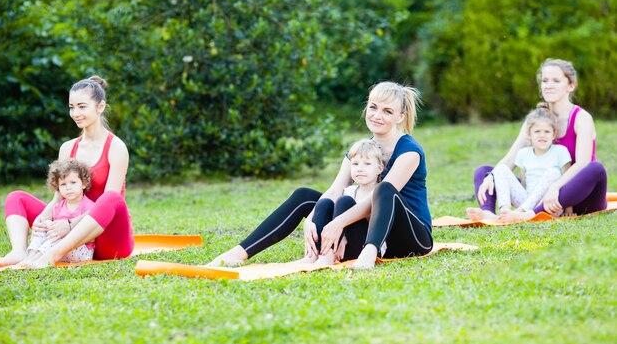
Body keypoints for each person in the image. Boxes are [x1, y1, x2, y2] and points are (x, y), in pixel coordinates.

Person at [208, 81, 433, 270]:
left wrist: (338, 222)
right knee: (305, 196)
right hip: (369, 227)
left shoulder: (409, 151)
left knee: (383, 190)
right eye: (373, 107)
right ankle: (239, 252)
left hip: (409, 237)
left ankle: (369, 254)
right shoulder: (362, 150)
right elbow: (336, 191)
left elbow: (377, 201)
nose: (377, 115)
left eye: (387, 111)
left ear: (401, 117)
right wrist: (313, 217)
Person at [0, 76, 133, 269]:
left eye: (82, 106)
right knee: (16, 198)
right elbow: (58, 199)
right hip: (72, 234)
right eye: (71, 107)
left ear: (100, 107)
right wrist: (43, 218)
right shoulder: (67, 148)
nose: (75, 113)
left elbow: (110, 205)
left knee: (111, 199)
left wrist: (69, 225)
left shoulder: (116, 147)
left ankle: (50, 255)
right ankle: (19, 252)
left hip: (108, 239)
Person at [468, 58, 607, 223]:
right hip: (540, 192)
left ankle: (528, 215)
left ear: (571, 86)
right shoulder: (537, 119)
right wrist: (491, 176)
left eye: (556, 80)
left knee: (596, 169)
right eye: (545, 80)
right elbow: (511, 158)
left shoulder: (581, 118)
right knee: (484, 172)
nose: (548, 85)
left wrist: (555, 187)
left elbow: (582, 164)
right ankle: (489, 215)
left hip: (576, 194)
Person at [297, 138, 385, 266]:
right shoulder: (349, 191)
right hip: (343, 250)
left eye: (367, 164)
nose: (360, 169)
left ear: (380, 168)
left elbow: (376, 223)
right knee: (325, 203)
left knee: (344, 202)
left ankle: (328, 256)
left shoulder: (381, 192)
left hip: (366, 248)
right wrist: (342, 236)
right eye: (355, 164)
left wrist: (344, 235)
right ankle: (315, 254)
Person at [488, 105, 571, 219]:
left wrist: (569, 209)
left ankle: (519, 213)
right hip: (527, 200)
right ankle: (505, 211)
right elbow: (524, 184)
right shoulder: (523, 154)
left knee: (554, 172)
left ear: (554, 134)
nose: (542, 135)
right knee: (500, 169)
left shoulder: (560, 151)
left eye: (547, 131)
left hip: (549, 205)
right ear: (529, 134)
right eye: (537, 131)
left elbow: (569, 181)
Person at [20, 159, 96, 265]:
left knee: (59, 234)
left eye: (73, 182)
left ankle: (39, 258)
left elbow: (91, 235)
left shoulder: (89, 207)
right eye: (63, 184)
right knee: (46, 224)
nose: (68, 187)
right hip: (59, 253)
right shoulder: (58, 208)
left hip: (81, 252)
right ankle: (32, 255)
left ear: (83, 184)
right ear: (58, 188)